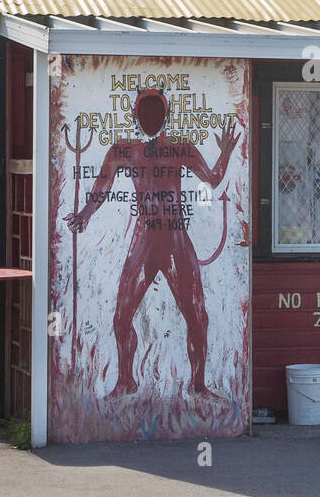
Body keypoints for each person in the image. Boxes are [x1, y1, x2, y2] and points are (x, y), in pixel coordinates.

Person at [67, 88, 239, 397]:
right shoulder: (123, 150)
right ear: (136, 115)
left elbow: (211, 179)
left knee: (197, 316)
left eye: (155, 112)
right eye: (144, 112)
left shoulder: (180, 148)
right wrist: (85, 214)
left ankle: (198, 384)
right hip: (144, 238)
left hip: (175, 238)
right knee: (121, 317)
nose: (149, 118)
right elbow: (102, 187)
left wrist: (225, 152)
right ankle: (126, 381)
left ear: (165, 115)